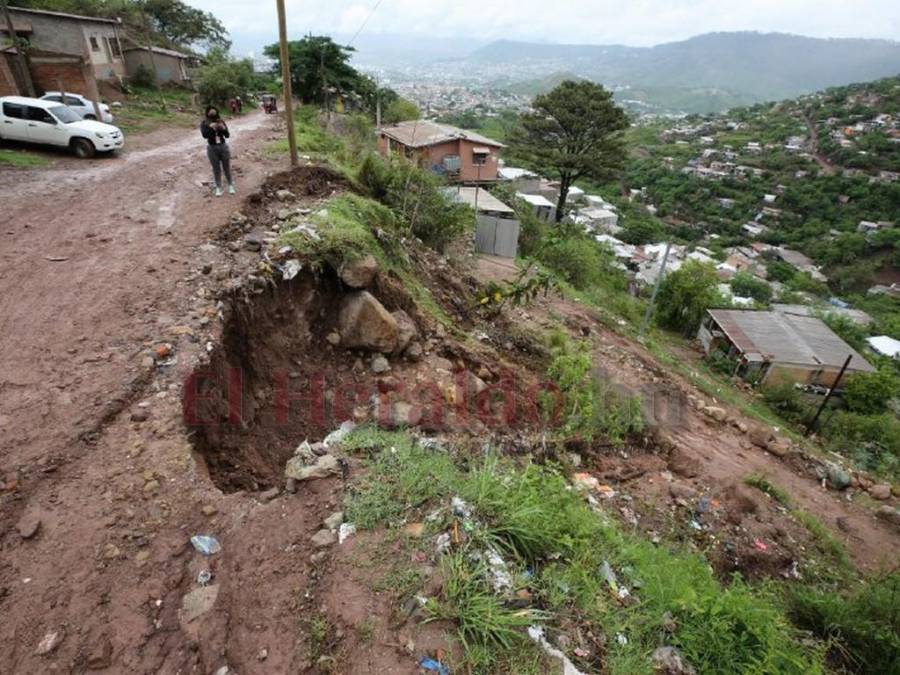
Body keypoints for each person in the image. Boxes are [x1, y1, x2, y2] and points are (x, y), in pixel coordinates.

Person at [200, 106, 234, 196]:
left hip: (223, 146)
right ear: (207, 113)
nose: (212, 113)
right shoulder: (204, 123)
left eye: (213, 111)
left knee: (227, 167)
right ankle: (218, 187)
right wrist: (212, 128)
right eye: (210, 111)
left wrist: (222, 128)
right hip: (212, 148)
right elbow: (204, 135)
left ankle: (231, 185)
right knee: (216, 169)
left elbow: (227, 135)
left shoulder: (221, 121)